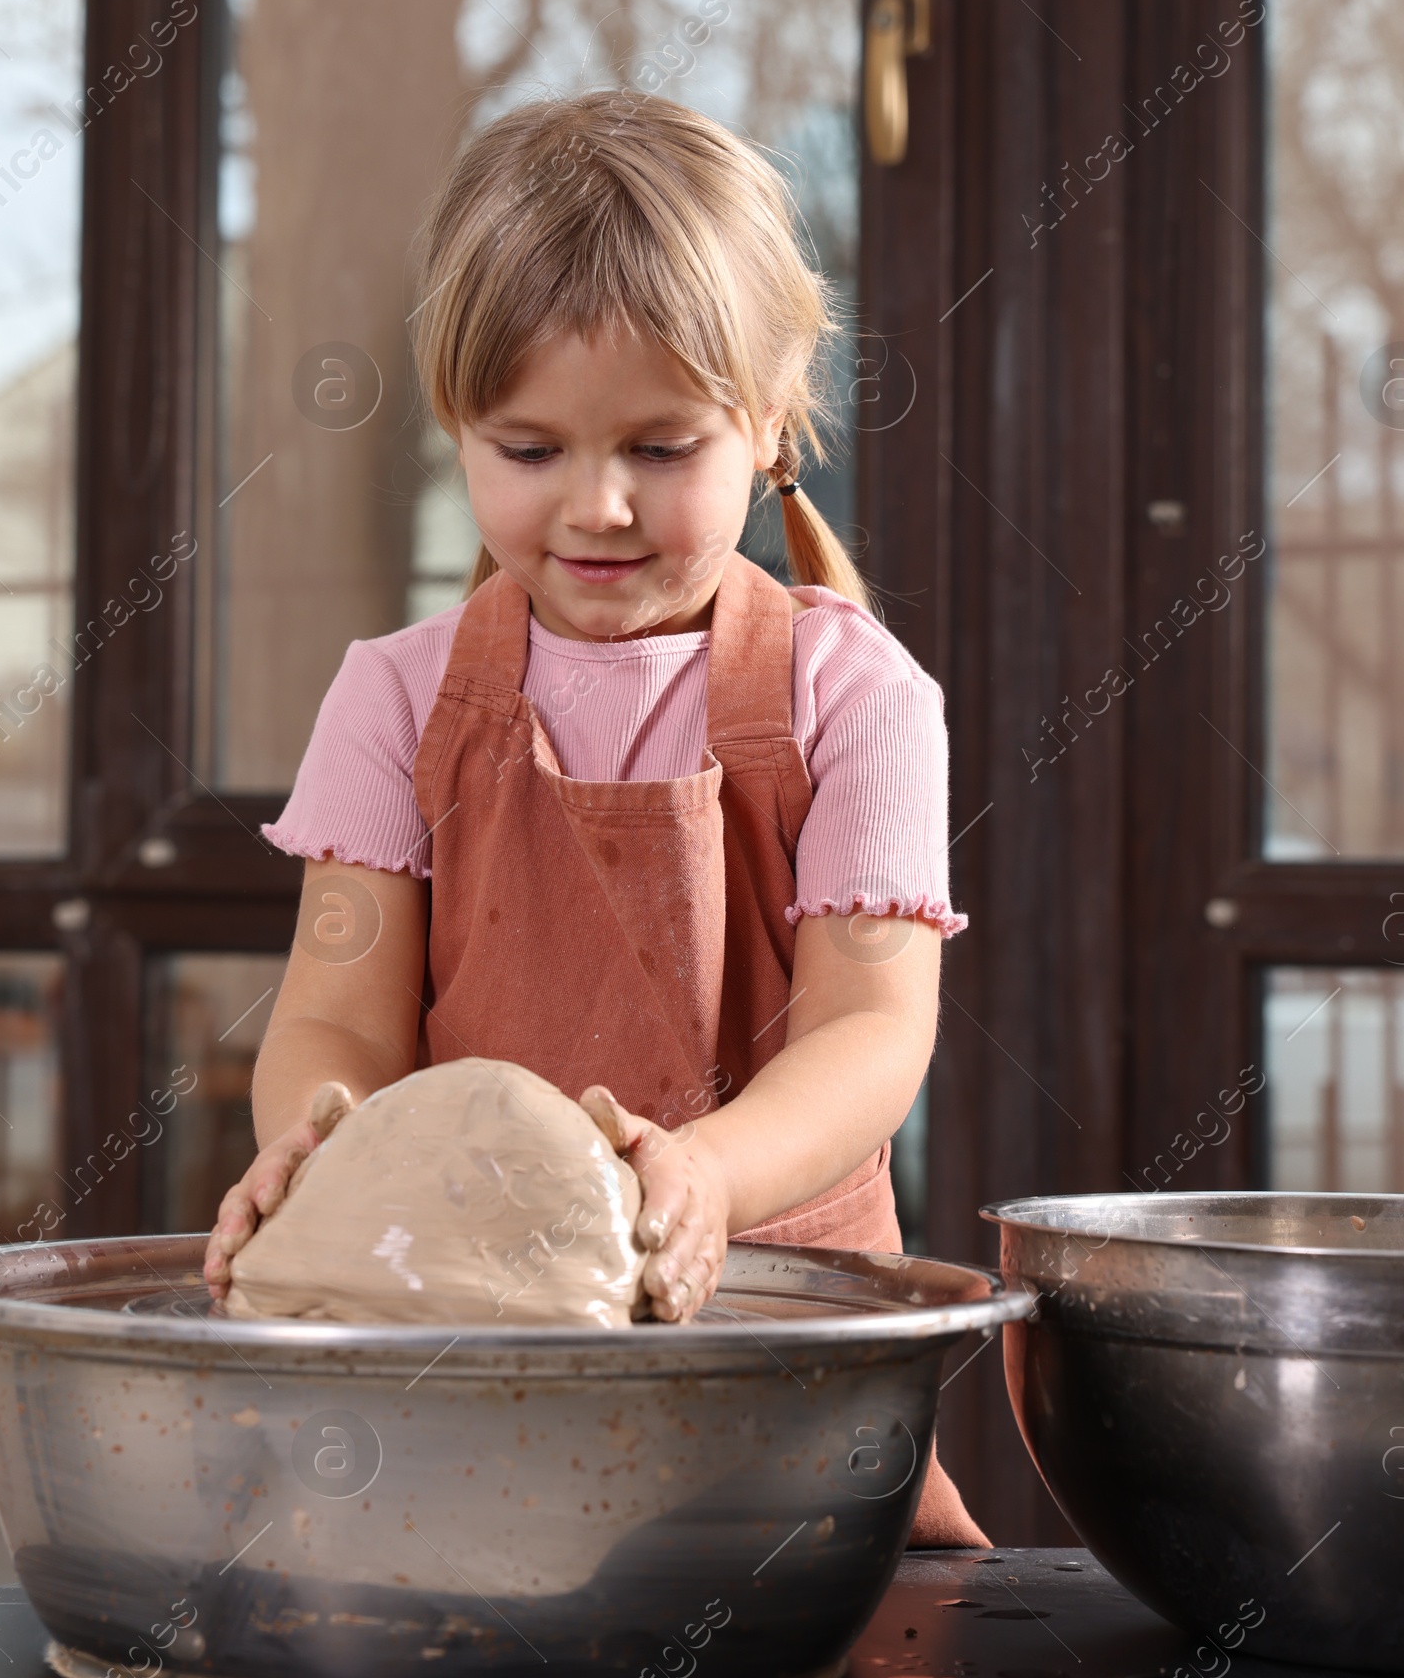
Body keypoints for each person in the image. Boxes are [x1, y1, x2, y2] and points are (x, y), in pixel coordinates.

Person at [204, 90, 984, 1545]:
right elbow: (337, 1023)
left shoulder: (855, 695)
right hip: (464, 1372)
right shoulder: (394, 701)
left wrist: (707, 1178)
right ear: (456, 428)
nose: (598, 506)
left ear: (767, 423)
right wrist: (316, 1149)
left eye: (661, 447)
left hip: (780, 1352)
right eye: (530, 448)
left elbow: (871, 1032)